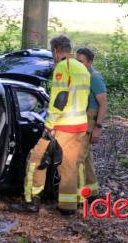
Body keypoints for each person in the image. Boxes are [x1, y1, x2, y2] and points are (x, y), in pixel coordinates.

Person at [16, 35, 90, 215]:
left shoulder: (63, 68)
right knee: (71, 165)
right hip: (80, 125)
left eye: (52, 52)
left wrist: (49, 125)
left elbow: (59, 99)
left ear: (56, 51)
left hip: (62, 126)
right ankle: (71, 204)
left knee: (35, 159)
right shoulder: (82, 68)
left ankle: (31, 201)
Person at [76, 47, 107, 200]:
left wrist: (98, 128)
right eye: (77, 61)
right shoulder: (83, 75)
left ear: (90, 62)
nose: (79, 64)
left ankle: (80, 196)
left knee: (78, 158)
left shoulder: (94, 78)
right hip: (82, 118)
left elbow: (103, 104)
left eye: (81, 61)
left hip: (90, 120)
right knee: (86, 158)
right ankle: (92, 193)